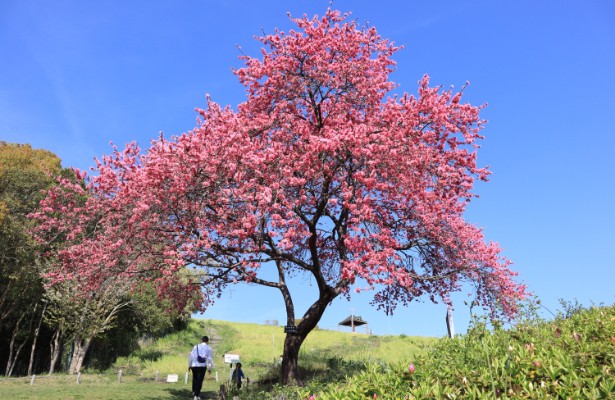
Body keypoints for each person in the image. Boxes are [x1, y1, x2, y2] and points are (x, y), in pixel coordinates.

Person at [188, 336, 214, 400]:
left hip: (194, 365)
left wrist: (189, 365)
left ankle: (194, 392)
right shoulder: (209, 348)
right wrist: (210, 368)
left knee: (194, 378)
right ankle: (196, 395)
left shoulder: (196, 346)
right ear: (207, 341)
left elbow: (191, 356)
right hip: (202, 366)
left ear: (201, 340)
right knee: (200, 380)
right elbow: (210, 359)